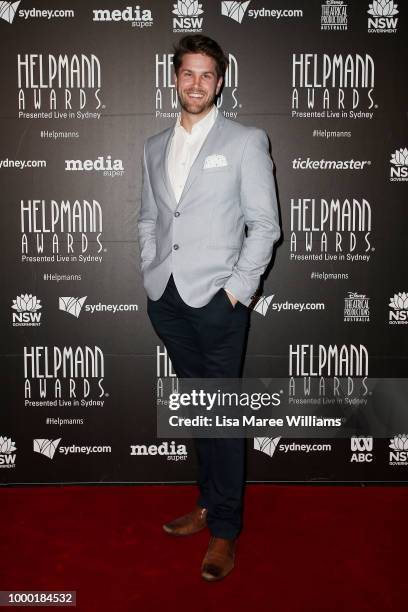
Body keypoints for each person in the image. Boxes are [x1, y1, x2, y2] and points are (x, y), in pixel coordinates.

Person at [137, 34, 280, 581]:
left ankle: (225, 530)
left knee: (220, 417)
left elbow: (265, 226)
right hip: (168, 301)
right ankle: (207, 502)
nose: (196, 84)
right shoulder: (153, 146)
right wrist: (151, 273)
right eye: (188, 73)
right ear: (175, 77)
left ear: (219, 82)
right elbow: (150, 218)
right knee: (200, 410)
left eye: (207, 75)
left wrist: (237, 291)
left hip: (219, 303)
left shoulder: (245, 140)